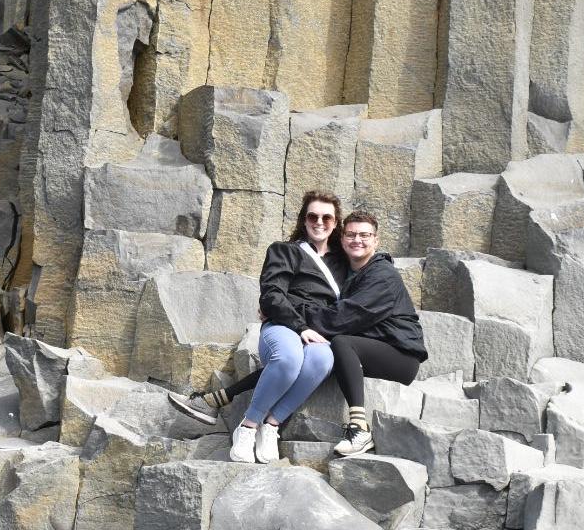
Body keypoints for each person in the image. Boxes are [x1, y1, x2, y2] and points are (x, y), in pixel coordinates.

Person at [168, 191, 346, 463]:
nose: (319, 222)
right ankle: (249, 425)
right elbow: (272, 294)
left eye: (326, 218)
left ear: (335, 223)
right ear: (303, 219)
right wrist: (301, 327)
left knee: (322, 360)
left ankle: (272, 425)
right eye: (313, 216)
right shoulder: (284, 250)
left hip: (320, 332)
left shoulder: (343, 263)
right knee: (288, 358)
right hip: (284, 326)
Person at [300, 211, 428, 456]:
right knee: (310, 353)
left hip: (401, 356)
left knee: (340, 342)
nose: (357, 240)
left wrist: (292, 316)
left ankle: (359, 429)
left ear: (376, 240)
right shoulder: (346, 272)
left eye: (364, 235)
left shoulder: (383, 275)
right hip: (366, 348)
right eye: (350, 234)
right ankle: (225, 396)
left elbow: (344, 317)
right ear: (342, 239)